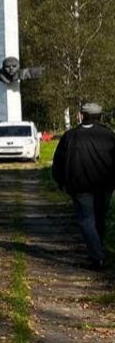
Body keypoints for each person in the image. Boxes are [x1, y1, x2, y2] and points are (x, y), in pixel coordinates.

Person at [52, 103, 115, 270]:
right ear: (100, 116)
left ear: (82, 115)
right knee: (99, 219)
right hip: (104, 186)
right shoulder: (109, 136)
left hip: (81, 187)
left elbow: (58, 161)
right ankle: (97, 254)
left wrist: (60, 181)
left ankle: (97, 255)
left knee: (87, 220)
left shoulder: (71, 136)